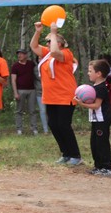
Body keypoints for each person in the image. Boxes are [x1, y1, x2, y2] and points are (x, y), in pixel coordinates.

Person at [31, 21, 82, 166]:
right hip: (51, 97)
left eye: (49, 41)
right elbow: (33, 46)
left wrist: (53, 33)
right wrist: (38, 31)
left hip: (65, 95)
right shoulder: (47, 54)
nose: (47, 44)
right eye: (47, 41)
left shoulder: (66, 53)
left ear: (59, 43)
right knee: (53, 124)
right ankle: (66, 153)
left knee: (64, 125)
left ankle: (75, 155)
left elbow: (54, 52)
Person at [75, 59, 111, 175]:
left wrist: (82, 104)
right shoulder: (95, 87)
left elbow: (96, 105)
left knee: (102, 143)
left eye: (90, 71)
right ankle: (98, 166)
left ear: (99, 73)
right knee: (94, 143)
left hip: (102, 120)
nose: (88, 73)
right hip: (96, 120)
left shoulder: (101, 87)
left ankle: (106, 167)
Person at [11, 49, 38, 135]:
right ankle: (19, 129)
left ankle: (34, 128)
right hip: (20, 90)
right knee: (19, 110)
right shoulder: (15, 66)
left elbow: (37, 75)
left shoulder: (31, 64)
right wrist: (15, 92)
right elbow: (13, 80)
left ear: (26, 55)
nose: (19, 55)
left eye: (21, 54)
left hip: (32, 90)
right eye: (18, 54)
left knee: (32, 110)